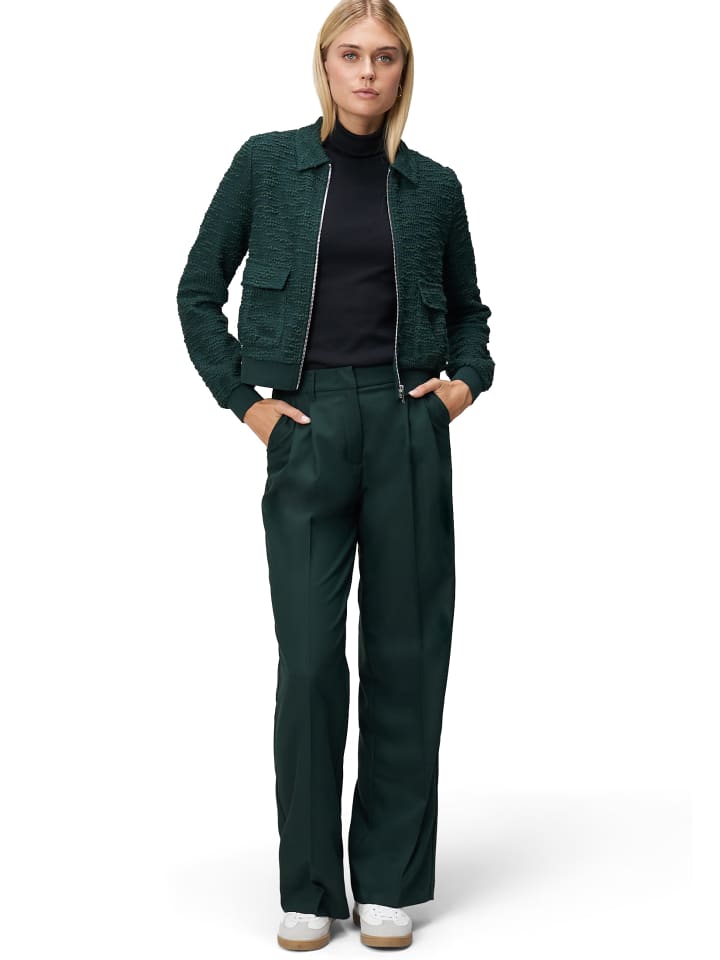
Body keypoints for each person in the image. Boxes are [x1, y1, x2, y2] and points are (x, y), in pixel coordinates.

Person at [176, 0, 495, 950]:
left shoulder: (432, 186)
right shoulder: (267, 164)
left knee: (407, 654)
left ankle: (388, 880)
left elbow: (472, 311)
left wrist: (459, 389)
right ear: (323, 64)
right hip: (307, 424)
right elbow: (197, 289)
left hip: (405, 424)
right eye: (350, 54)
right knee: (312, 661)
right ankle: (310, 886)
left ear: (403, 72)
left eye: (384, 57)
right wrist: (246, 403)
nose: (366, 72)